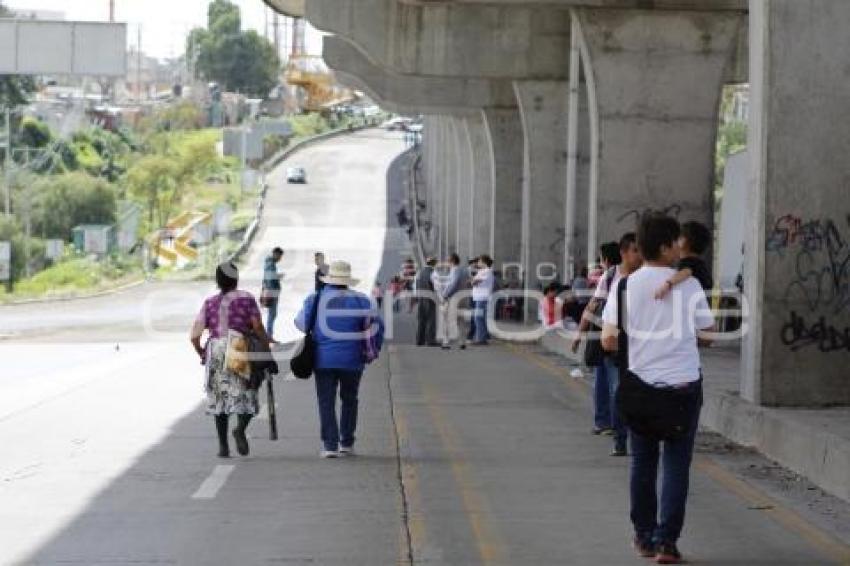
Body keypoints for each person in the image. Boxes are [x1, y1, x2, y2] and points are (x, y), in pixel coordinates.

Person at [600, 214, 714, 564]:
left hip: (641, 388)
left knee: (643, 463)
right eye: (675, 243)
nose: (679, 248)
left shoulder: (625, 285)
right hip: (683, 387)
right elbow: (707, 335)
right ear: (665, 246)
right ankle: (667, 542)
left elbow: (607, 340)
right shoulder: (690, 285)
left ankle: (644, 537)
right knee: (677, 465)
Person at [295, 261, 384, 458]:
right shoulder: (362, 300)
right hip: (353, 360)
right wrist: (373, 350)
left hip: (323, 359)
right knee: (350, 399)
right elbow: (378, 328)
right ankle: (347, 442)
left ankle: (330, 446)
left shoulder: (315, 299)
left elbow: (300, 324)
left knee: (326, 401)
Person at [191, 262, 275, 458]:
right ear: (236, 279)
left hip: (216, 349)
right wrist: (266, 348)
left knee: (219, 398)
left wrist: (201, 352)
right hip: (239, 346)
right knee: (247, 392)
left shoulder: (210, 302)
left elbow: (194, 335)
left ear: (217, 280)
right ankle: (240, 430)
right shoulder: (246, 299)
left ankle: (223, 446)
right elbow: (257, 327)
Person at [571, 241, 622, 438]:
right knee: (608, 377)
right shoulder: (630, 274)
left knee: (607, 378)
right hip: (622, 334)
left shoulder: (608, 276)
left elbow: (591, 307)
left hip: (607, 334)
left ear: (606, 259)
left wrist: (579, 334)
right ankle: (609, 423)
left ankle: (606, 423)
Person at [654, 220, 713, 299]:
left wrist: (668, 284)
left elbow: (686, 272)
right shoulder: (699, 263)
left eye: (677, 238)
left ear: (684, 241)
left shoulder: (688, 262)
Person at [436, 253, 466, 350]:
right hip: (463, 297)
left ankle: (446, 342)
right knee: (461, 320)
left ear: (452, 261)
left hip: (453, 298)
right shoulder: (464, 271)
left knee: (447, 320)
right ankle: (462, 342)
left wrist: (445, 295)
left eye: (448, 261)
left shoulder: (454, 271)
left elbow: (453, 284)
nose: (446, 263)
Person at [470, 255, 495, 345]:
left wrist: (473, 281)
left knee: (478, 318)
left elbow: (474, 282)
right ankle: (483, 336)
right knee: (481, 318)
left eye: (479, 261)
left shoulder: (487, 271)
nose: (478, 263)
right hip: (479, 297)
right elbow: (473, 282)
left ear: (484, 262)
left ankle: (481, 339)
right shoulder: (481, 271)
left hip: (482, 298)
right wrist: (473, 281)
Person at [415, 256, 439, 346]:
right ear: (434, 263)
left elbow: (416, 285)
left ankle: (419, 340)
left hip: (421, 298)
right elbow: (437, 287)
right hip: (430, 298)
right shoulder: (433, 273)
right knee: (431, 320)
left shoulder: (419, 273)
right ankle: (430, 340)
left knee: (421, 320)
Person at [261, 247, 284, 338]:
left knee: (272, 314)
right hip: (272, 292)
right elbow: (270, 279)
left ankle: (269, 335)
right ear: (276, 254)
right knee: (272, 314)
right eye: (280, 256)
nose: (280, 259)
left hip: (269, 291)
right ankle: (269, 335)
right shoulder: (270, 264)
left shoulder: (269, 263)